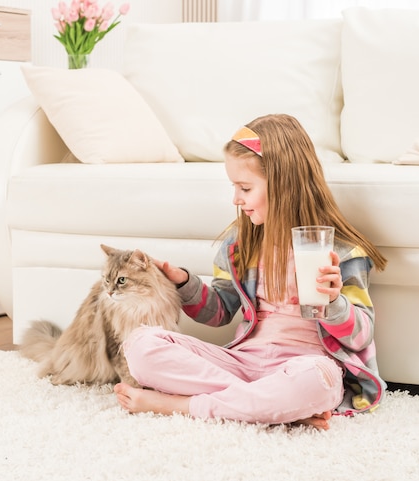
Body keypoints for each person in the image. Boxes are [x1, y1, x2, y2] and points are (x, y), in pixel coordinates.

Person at [114, 113, 388, 430]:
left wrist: (335, 303)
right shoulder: (239, 246)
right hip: (241, 364)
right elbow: (218, 313)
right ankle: (273, 406)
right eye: (235, 187)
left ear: (284, 185)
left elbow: (361, 336)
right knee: (141, 346)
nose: (236, 198)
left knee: (317, 382)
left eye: (244, 187)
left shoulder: (340, 252)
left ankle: (183, 405)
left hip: (303, 367)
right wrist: (184, 283)